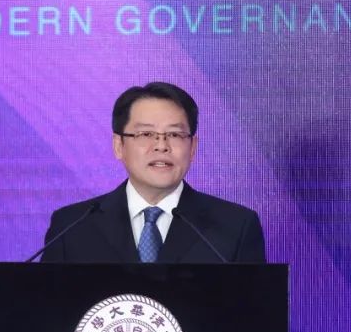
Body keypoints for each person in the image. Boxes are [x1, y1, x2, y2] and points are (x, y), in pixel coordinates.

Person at [41, 82, 266, 263]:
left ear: (193, 147)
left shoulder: (235, 227)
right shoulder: (72, 226)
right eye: (146, 134)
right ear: (119, 145)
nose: (161, 146)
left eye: (175, 135)